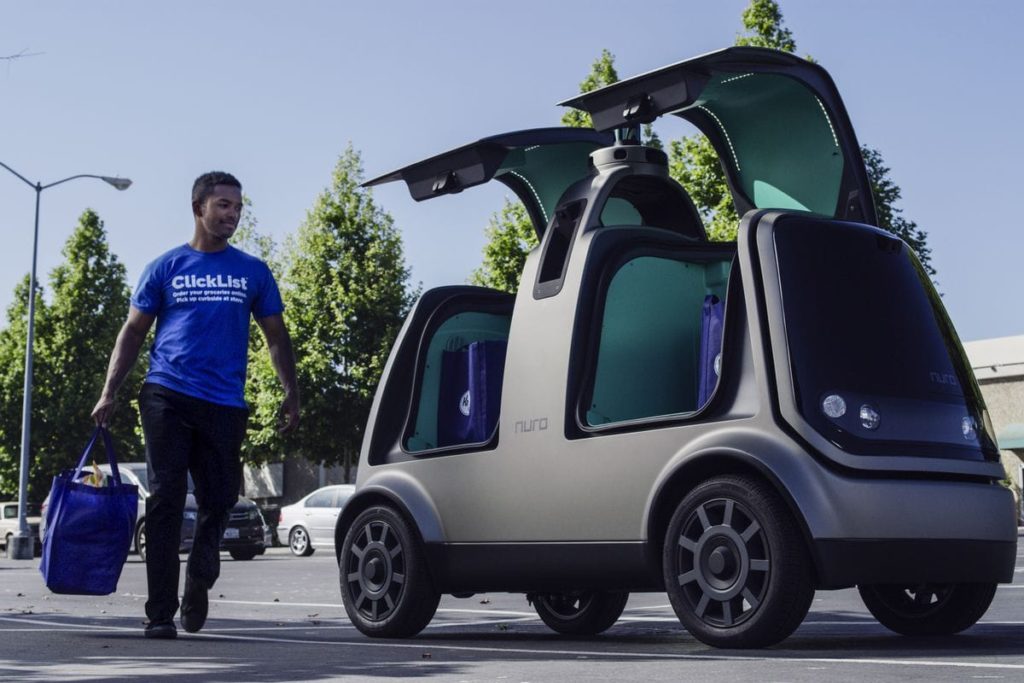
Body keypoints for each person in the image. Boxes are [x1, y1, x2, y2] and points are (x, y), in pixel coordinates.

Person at [91, 171, 299, 639]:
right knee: (165, 498)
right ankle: (160, 613)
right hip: (167, 393)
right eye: (224, 205)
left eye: (238, 207)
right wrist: (110, 390)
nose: (233, 215)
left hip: (225, 402)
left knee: (220, 498)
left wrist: (291, 389)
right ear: (199, 208)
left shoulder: (252, 271)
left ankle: (200, 577)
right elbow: (133, 333)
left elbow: (275, 337)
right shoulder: (166, 267)